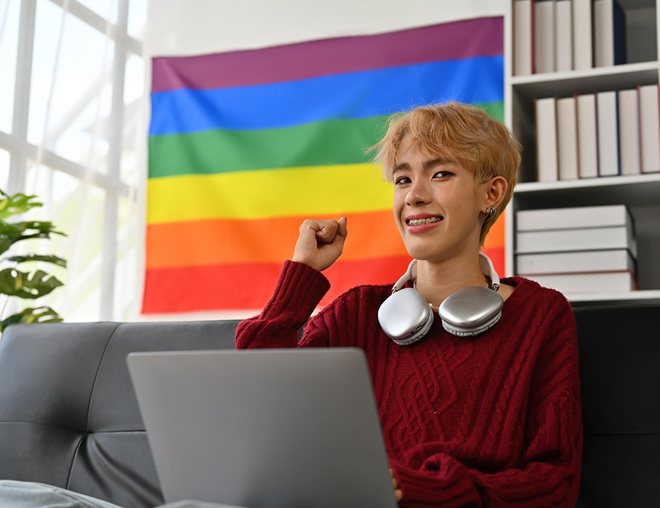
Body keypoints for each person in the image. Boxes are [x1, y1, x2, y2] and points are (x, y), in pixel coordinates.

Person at [235, 102, 583, 507]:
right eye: (402, 179)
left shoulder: (541, 316)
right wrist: (301, 276)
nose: (414, 196)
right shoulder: (355, 314)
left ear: (492, 193)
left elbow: (554, 484)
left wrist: (431, 492)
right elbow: (257, 412)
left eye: (440, 174)